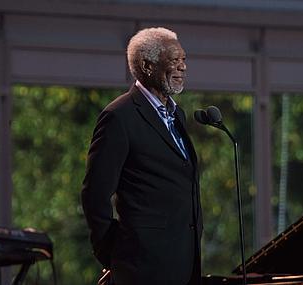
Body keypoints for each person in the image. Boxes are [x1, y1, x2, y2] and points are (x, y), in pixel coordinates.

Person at [81, 27, 202, 285]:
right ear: (147, 65)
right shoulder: (119, 116)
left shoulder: (177, 115)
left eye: (184, 60)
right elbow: (95, 195)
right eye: (174, 60)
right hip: (142, 268)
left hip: (183, 263)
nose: (182, 67)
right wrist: (116, 257)